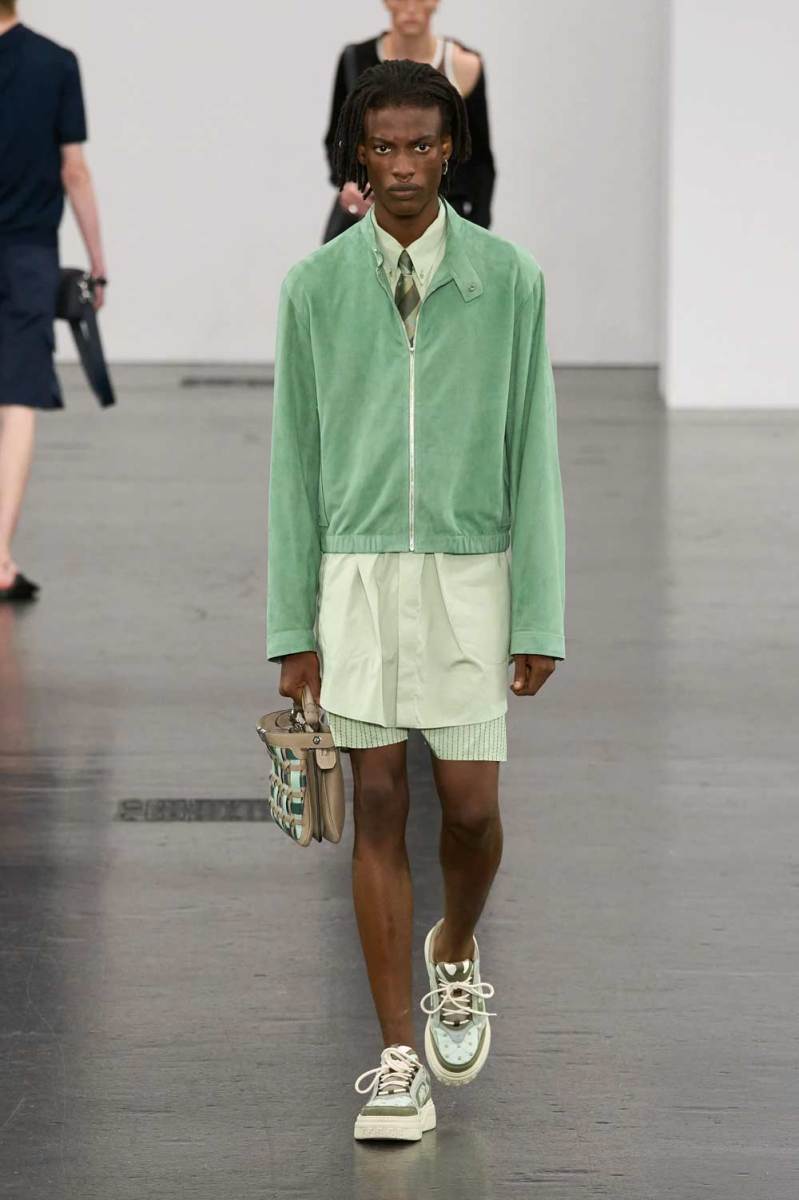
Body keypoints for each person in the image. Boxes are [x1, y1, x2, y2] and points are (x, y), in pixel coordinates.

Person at [266, 59, 565, 1142]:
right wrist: (290, 627)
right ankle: (397, 1060)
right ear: (358, 157)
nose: (402, 166)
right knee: (380, 803)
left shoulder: (508, 280)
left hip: (469, 575)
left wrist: (538, 613)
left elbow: (534, 451)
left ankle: (455, 946)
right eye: (383, 147)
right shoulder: (314, 287)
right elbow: (293, 462)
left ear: (452, 153)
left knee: (472, 808)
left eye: (422, 146)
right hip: (353, 579)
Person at [0, 2, 107, 602]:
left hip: (27, 254)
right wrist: (98, 262)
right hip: (27, 255)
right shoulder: (55, 63)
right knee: (17, 399)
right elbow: (75, 173)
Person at [322, 0, 495, 242]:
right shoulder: (355, 60)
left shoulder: (463, 67)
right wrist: (350, 183)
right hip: (368, 215)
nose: (411, 7)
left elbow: (479, 161)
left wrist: (476, 233)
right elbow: (337, 140)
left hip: (440, 221)